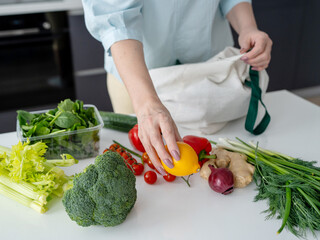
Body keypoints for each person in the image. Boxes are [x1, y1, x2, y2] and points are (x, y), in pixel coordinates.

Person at [82, 0, 272, 175]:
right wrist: (146, 103)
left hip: (210, 76)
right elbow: (115, 18)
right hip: (137, 78)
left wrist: (247, 28)